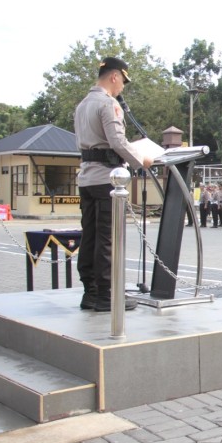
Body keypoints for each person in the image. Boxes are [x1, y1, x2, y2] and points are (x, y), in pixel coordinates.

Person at [74, 57, 152, 312]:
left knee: (91, 236)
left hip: (87, 178)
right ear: (115, 77)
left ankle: (91, 292)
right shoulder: (108, 104)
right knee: (107, 239)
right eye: (122, 83)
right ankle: (107, 295)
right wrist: (143, 160)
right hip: (107, 179)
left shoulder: (83, 104)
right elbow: (117, 142)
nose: (122, 89)